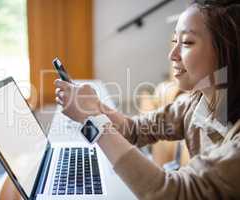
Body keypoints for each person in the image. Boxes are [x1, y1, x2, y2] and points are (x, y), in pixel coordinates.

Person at [54, 0, 240, 199]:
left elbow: (174, 192)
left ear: (230, 49)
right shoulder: (195, 104)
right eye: (174, 41)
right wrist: (95, 107)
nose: (172, 55)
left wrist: (92, 119)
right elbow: (133, 130)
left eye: (186, 42)